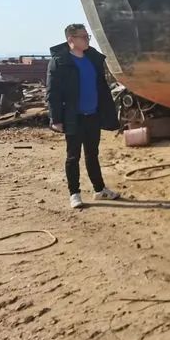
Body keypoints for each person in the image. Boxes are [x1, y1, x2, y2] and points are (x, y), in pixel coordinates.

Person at [46, 24, 121, 209]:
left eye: (88, 36)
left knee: (92, 154)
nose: (87, 39)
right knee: (73, 156)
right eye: (83, 36)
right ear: (71, 39)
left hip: (93, 115)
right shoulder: (60, 61)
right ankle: (74, 194)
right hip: (73, 117)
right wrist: (56, 119)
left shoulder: (93, 58)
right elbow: (52, 93)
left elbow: (102, 87)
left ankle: (99, 190)